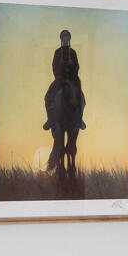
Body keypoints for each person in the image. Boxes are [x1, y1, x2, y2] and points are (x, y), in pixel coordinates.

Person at [43, 29, 86, 182]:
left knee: (81, 96)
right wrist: (61, 73)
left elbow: (77, 67)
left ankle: (79, 119)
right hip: (60, 79)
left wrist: (71, 69)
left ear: (70, 39)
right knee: (48, 97)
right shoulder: (57, 52)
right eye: (63, 37)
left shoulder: (73, 52)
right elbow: (54, 67)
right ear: (61, 39)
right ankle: (50, 119)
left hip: (72, 78)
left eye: (67, 37)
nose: (66, 39)